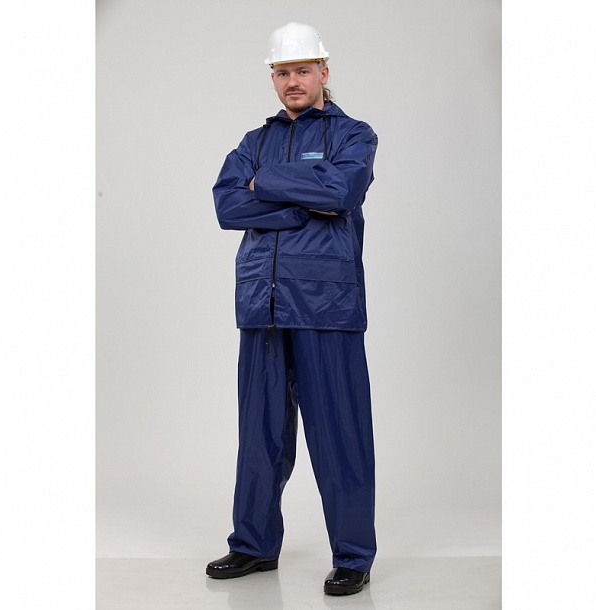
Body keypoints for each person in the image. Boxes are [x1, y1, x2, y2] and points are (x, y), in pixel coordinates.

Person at [207, 22, 378, 596]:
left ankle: (353, 555)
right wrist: (299, 202)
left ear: (324, 71)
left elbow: (341, 193)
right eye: (282, 72)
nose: (292, 81)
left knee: (340, 434)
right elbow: (228, 206)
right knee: (259, 434)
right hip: (262, 303)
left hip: (326, 303)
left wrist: (267, 185)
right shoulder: (252, 141)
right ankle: (253, 545)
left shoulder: (354, 134)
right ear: (273, 77)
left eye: (302, 70)